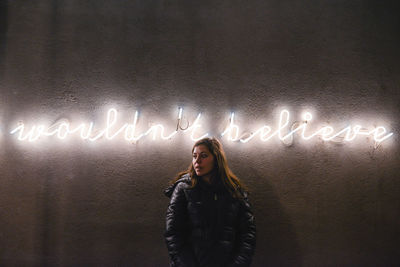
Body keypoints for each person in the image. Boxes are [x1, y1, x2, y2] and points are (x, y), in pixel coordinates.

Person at [164, 137, 256, 267]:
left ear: (217, 159)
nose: (197, 161)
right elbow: (173, 233)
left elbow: (247, 233)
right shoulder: (184, 188)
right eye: (194, 156)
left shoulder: (234, 191)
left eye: (204, 156)